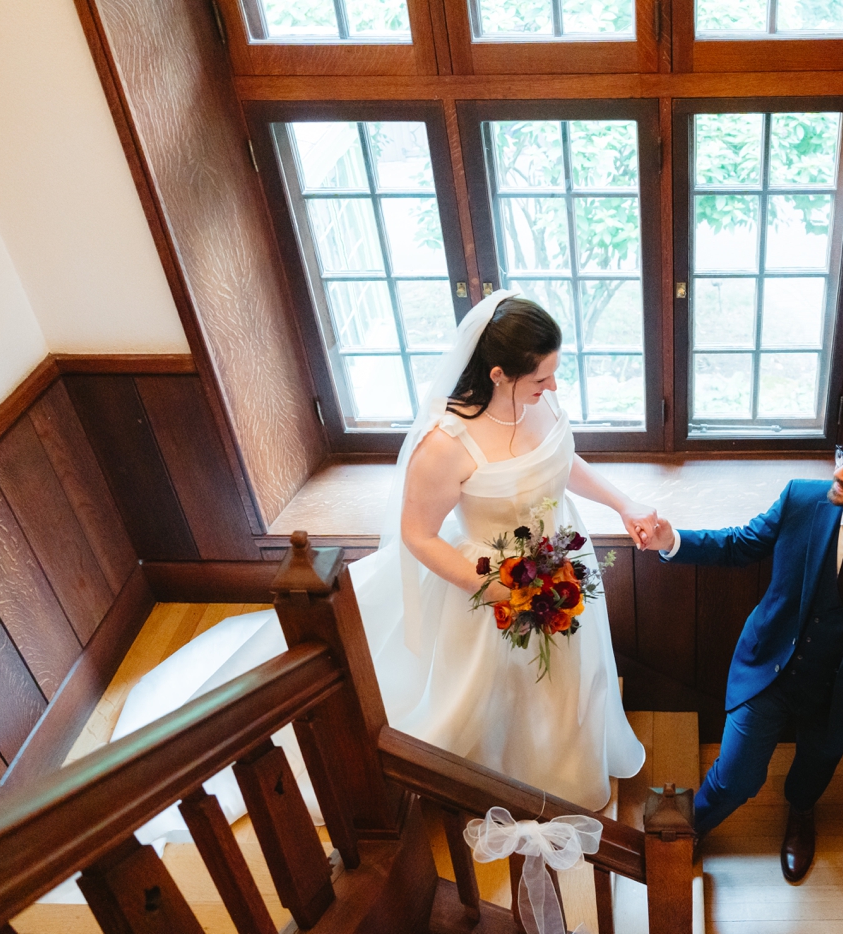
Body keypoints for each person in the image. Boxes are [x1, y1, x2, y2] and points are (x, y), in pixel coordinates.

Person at [111, 291, 648, 849]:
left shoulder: (540, 401)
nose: (553, 389)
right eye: (542, 378)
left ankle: (562, 771)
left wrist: (623, 504)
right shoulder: (445, 446)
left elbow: (559, 461)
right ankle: (499, 777)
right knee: (489, 690)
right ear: (498, 374)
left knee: (568, 673)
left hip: (561, 557)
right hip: (489, 578)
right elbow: (418, 535)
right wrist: (497, 591)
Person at [641, 417, 843, 883]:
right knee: (736, 777)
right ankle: (684, 834)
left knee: (815, 767)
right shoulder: (801, 499)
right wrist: (673, 543)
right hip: (772, 666)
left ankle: (802, 813)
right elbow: (739, 544)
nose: (837, 474)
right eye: (841, 458)